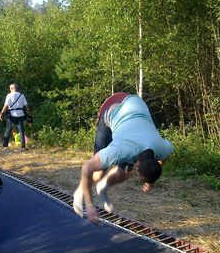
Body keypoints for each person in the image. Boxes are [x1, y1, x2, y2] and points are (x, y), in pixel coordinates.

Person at [73, 93, 174, 225]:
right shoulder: (120, 150)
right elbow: (86, 168)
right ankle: (80, 191)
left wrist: (151, 181)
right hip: (110, 116)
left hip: (134, 110)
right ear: (137, 165)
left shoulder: (161, 148)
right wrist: (89, 204)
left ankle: (103, 188)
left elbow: (163, 159)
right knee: (98, 173)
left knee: (124, 175)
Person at [0, 84, 31, 151]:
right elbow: (26, 105)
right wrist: (29, 114)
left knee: (8, 130)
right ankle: (23, 146)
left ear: (11, 88)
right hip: (20, 115)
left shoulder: (9, 95)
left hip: (12, 115)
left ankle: (5, 145)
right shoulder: (21, 95)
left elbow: (6, 105)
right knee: (21, 131)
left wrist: (1, 113)